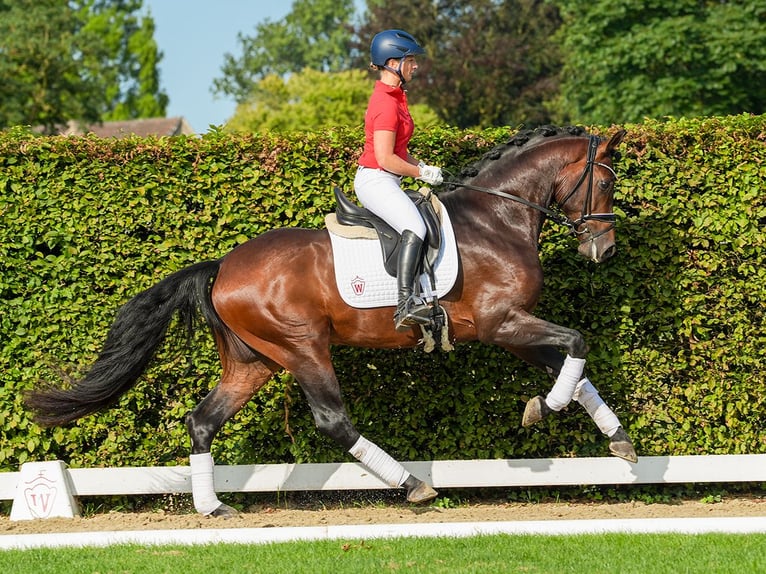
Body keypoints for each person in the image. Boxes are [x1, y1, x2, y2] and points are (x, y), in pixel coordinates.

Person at [354, 29, 444, 332]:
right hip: (376, 179)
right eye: (411, 59)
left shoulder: (397, 98)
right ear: (393, 62)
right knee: (415, 226)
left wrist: (426, 167)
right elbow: (385, 158)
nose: (415, 65)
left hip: (388, 179)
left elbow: (400, 152)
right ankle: (405, 305)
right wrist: (420, 173)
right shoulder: (385, 103)